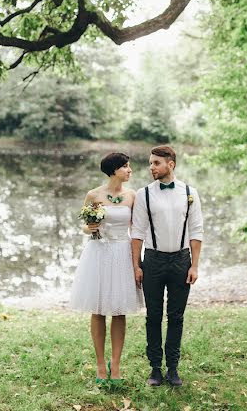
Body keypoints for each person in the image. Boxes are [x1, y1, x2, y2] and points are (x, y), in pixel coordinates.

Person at [131, 145, 203, 387]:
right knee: (153, 316)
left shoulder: (190, 192)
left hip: (181, 261)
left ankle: (173, 369)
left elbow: (196, 230)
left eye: (156, 163)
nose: (151, 167)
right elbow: (137, 233)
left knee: (176, 316)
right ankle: (155, 369)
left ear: (170, 164)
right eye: (150, 163)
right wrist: (136, 266)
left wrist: (194, 265)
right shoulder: (144, 194)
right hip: (152, 260)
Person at [70, 152, 144, 384]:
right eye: (125, 167)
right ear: (113, 170)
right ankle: (100, 364)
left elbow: (137, 231)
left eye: (129, 167)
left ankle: (116, 364)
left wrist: (137, 262)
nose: (130, 170)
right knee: (98, 309)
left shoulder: (132, 196)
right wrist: (89, 228)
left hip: (122, 252)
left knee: (119, 310)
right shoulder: (94, 195)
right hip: (99, 252)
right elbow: (83, 226)